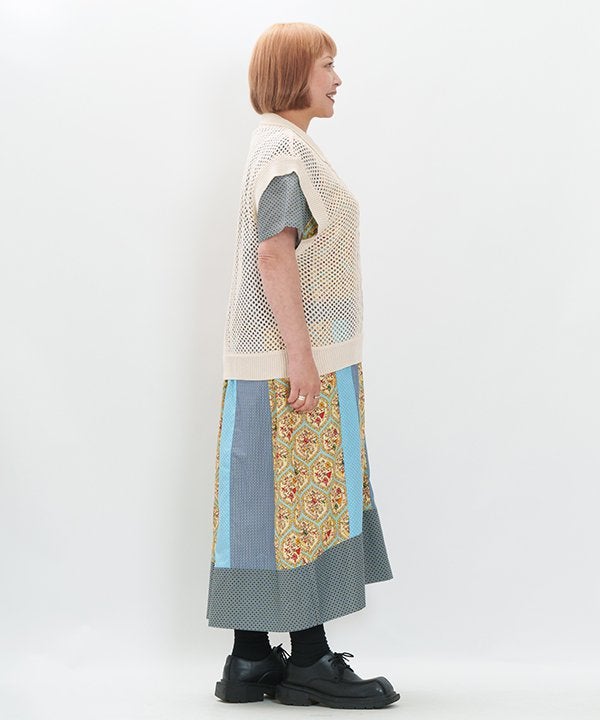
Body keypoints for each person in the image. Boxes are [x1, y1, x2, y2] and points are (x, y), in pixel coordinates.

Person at [206, 22, 400, 709]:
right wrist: (301, 357)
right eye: (326, 65)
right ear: (294, 74)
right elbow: (274, 252)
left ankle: (252, 658)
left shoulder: (279, 146)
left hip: (282, 362)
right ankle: (311, 660)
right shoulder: (285, 152)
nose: (337, 79)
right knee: (300, 510)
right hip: (292, 364)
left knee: (264, 509)